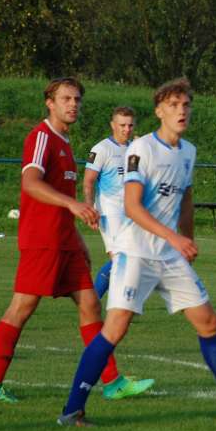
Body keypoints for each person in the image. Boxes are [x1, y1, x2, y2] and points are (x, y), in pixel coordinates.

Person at [58, 77, 216, 427]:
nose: (182, 111)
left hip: (170, 255)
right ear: (159, 110)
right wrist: (176, 239)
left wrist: (186, 239)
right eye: (174, 105)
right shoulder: (141, 149)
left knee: (208, 322)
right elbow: (132, 207)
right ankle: (72, 410)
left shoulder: (188, 152)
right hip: (135, 253)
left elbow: (186, 199)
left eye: (186, 105)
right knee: (115, 329)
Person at [0, 78, 152, 403]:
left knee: (89, 304)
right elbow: (30, 183)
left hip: (64, 239)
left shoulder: (65, 142)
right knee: (21, 309)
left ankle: (112, 382)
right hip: (42, 240)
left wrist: (77, 239)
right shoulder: (42, 137)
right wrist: (73, 204)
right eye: (66, 98)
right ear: (50, 102)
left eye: (77, 99)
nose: (73, 104)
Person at [83, 106, 136, 299]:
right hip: (110, 211)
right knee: (121, 260)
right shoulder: (102, 149)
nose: (126, 129)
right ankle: (114, 306)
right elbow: (88, 181)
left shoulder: (134, 149)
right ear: (113, 125)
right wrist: (89, 208)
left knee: (129, 259)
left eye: (130, 125)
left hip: (131, 212)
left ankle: (95, 303)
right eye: (122, 125)